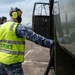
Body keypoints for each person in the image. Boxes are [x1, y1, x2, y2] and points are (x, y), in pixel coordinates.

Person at [0, 7, 54, 75]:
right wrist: (51, 43)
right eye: (19, 15)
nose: (20, 17)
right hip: (13, 64)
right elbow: (35, 37)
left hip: (1, 63)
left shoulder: (1, 27)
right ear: (14, 15)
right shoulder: (17, 27)